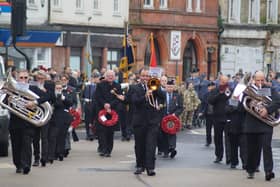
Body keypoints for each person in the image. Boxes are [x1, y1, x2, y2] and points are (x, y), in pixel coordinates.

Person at [9, 69, 49, 175]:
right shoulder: (12, 89)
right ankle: (18, 165)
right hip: (15, 122)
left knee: (26, 144)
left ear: (29, 79)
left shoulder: (33, 89)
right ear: (17, 78)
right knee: (16, 145)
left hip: (28, 122)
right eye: (21, 77)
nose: (23, 80)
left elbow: (48, 96)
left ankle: (26, 165)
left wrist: (35, 102)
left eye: (25, 78)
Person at [242, 71, 280, 181]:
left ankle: (268, 171)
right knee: (252, 149)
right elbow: (243, 103)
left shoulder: (270, 89)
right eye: (258, 80)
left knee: (267, 147)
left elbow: (278, 101)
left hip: (265, 124)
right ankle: (251, 170)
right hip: (251, 123)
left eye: (262, 80)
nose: (260, 82)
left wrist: (267, 110)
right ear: (254, 79)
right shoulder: (248, 90)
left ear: (265, 79)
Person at [131, 66, 165, 176]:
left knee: (151, 145)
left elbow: (163, 96)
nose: (145, 78)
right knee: (139, 145)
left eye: (147, 76)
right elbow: (134, 101)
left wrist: (156, 87)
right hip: (139, 121)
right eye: (143, 76)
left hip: (152, 120)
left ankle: (150, 168)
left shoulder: (153, 85)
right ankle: (140, 166)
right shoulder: (134, 88)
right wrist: (145, 96)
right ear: (139, 76)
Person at [94, 70, 122, 157]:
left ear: (114, 77)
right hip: (102, 112)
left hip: (112, 112)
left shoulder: (117, 86)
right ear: (105, 76)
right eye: (109, 75)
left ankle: (108, 150)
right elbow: (98, 97)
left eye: (112, 75)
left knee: (110, 132)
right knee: (102, 131)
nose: (110, 77)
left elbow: (119, 97)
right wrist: (104, 104)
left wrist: (110, 105)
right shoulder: (100, 85)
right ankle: (103, 149)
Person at [208, 75, 231, 163]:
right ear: (220, 81)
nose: (224, 84)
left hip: (228, 117)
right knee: (218, 138)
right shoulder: (215, 90)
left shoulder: (230, 90)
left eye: (226, 82)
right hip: (217, 117)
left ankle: (229, 157)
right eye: (223, 82)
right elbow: (210, 101)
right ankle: (219, 155)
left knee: (228, 139)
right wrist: (219, 94)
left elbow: (233, 101)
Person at [160, 79, 183, 158]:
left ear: (173, 87)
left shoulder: (177, 96)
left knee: (172, 133)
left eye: (171, 87)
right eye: (168, 87)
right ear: (165, 87)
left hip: (173, 119)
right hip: (163, 118)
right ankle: (165, 151)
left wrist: (175, 114)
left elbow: (180, 107)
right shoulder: (162, 95)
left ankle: (172, 149)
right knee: (164, 134)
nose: (169, 88)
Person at [82, 72, 100, 141]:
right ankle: (88, 134)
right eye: (93, 77)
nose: (95, 79)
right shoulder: (87, 85)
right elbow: (83, 95)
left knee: (96, 119)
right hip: (88, 104)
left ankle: (96, 133)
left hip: (96, 104)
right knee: (88, 119)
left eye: (96, 77)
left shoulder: (99, 85)